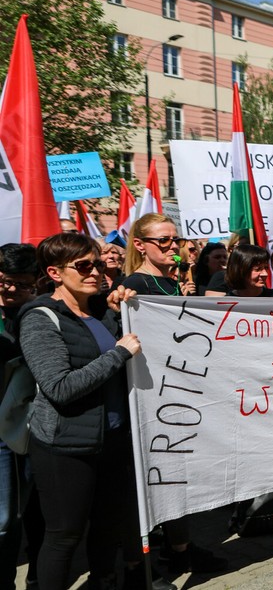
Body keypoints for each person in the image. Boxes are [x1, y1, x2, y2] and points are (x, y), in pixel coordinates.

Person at [19, 233, 173, 590]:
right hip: (66, 446)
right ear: (55, 273)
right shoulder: (40, 318)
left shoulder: (100, 309)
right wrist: (118, 353)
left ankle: (106, 582)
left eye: (99, 264)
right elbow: (60, 388)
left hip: (114, 438)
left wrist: (127, 308)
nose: (95, 272)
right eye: (84, 266)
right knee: (64, 536)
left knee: (108, 526)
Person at [120, 215, 227, 575]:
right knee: (156, 479)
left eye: (174, 239)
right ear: (140, 245)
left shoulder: (170, 282)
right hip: (154, 395)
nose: (172, 246)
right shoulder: (134, 284)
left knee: (177, 474)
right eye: (162, 241)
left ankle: (180, 550)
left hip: (179, 390)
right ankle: (148, 567)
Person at [0, 244, 42, 590]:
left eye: (22, 283)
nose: (11, 290)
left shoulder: (38, 313)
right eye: (4, 281)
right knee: (4, 516)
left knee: (29, 510)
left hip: (32, 425)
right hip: (3, 433)